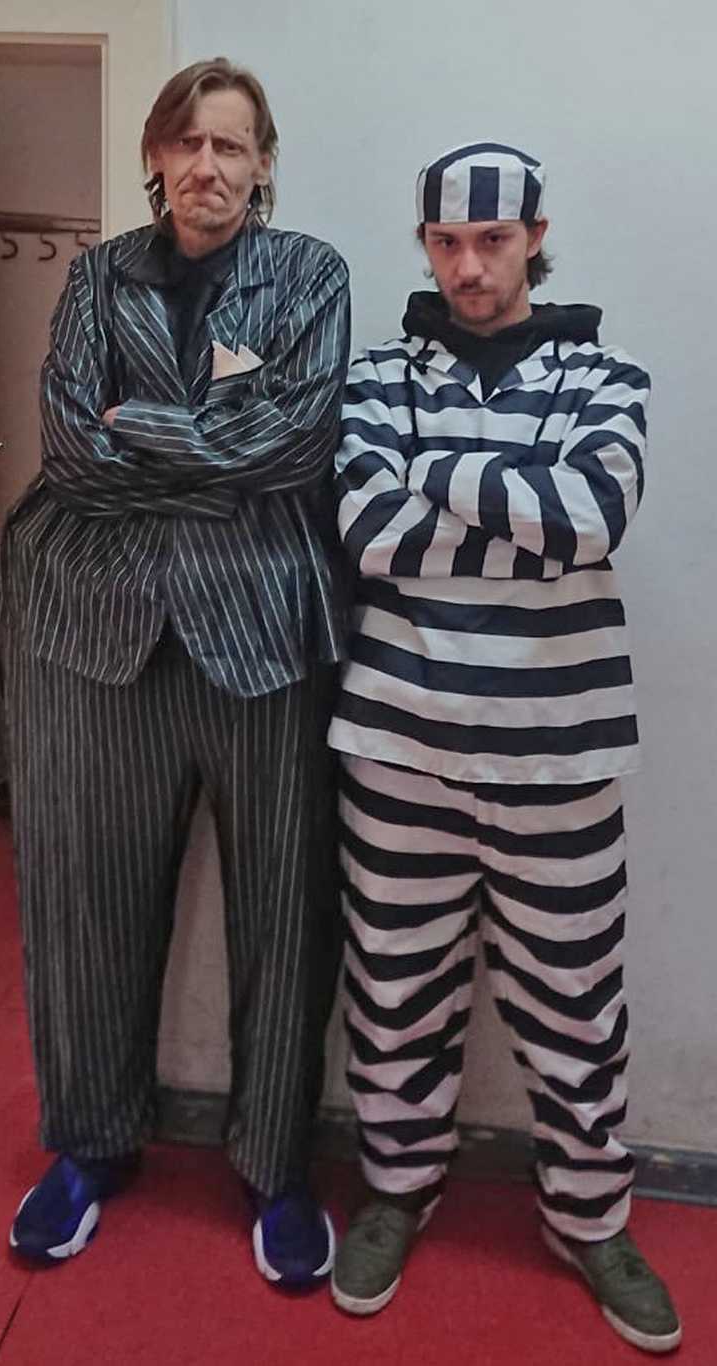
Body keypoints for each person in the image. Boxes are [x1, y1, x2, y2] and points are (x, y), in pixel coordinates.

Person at [0, 57, 350, 1288]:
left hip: (264, 635)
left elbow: (297, 440)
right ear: (154, 155)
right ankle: (91, 1146)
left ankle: (276, 1167)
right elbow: (68, 451)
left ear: (263, 163)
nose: (208, 166)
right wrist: (209, 452)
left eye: (231, 145)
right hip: (94, 631)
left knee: (286, 909)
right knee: (84, 902)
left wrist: (141, 426)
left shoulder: (310, 275)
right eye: (188, 142)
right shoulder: (98, 277)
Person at [326, 141, 681, 1351]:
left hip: (562, 756)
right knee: (394, 991)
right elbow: (368, 531)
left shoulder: (606, 374)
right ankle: (397, 1192)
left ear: (536, 234)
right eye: (446, 242)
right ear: (424, 244)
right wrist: (514, 495)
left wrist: (430, 472)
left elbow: (594, 517)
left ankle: (590, 1218)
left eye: (492, 239)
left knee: (577, 1004)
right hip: (396, 744)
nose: (468, 266)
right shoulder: (376, 374)